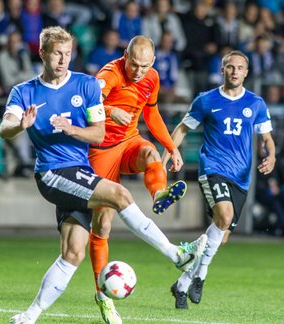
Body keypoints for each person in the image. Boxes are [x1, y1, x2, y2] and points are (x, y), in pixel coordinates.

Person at [0, 27, 207, 324]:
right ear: (42, 53)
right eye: (56, 53)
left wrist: (73, 129)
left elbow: (97, 134)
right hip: (53, 172)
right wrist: (21, 123)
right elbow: (4, 128)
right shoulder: (24, 92)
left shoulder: (84, 85)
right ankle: (177, 255)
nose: (62, 60)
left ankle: (28, 317)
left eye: (67, 53)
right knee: (120, 195)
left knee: (73, 253)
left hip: (80, 170)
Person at [163, 50, 276, 309]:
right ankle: (201, 276)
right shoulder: (206, 100)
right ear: (222, 70)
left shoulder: (256, 103)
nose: (235, 71)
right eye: (230, 67)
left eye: (239, 68)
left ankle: (181, 284)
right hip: (212, 168)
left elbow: (267, 138)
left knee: (221, 235)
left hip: (241, 177)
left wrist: (272, 157)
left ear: (246, 72)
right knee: (223, 217)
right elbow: (182, 127)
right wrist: (168, 153)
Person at [87, 35, 187, 322]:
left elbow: (152, 114)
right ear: (125, 56)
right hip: (101, 149)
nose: (139, 71)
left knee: (151, 155)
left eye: (145, 65)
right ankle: (102, 295)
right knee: (103, 224)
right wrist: (108, 110)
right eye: (134, 64)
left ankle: (159, 195)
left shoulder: (151, 78)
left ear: (153, 62)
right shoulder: (109, 74)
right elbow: (84, 104)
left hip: (129, 140)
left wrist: (171, 146)